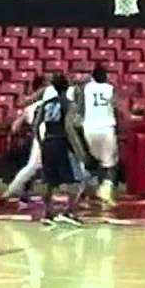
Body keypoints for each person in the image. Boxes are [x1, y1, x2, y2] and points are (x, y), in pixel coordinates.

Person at [34, 72, 93, 227]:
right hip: (62, 142)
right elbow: (68, 128)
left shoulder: (46, 104)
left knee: (50, 181)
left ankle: (48, 214)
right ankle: (69, 212)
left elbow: (35, 125)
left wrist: (40, 142)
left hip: (48, 141)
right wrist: (79, 150)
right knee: (76, 181)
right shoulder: (70, 104)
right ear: (67, 87)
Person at [0, 74, 50, 207]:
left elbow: (15, 126)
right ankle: (10, 193)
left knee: (34, 167)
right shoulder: (49, 101)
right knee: (36, 166)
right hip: (48, 135)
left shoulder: (30, 107)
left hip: (39, 137)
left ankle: (9, 193)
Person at [82, 63, 126, 205]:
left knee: (94, 161)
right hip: (106, 128)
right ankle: (105, 190)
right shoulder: (109, 88)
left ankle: (91, 189)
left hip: (89, 128)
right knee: (111, 164)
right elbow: (117, 106)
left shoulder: (87, 88)